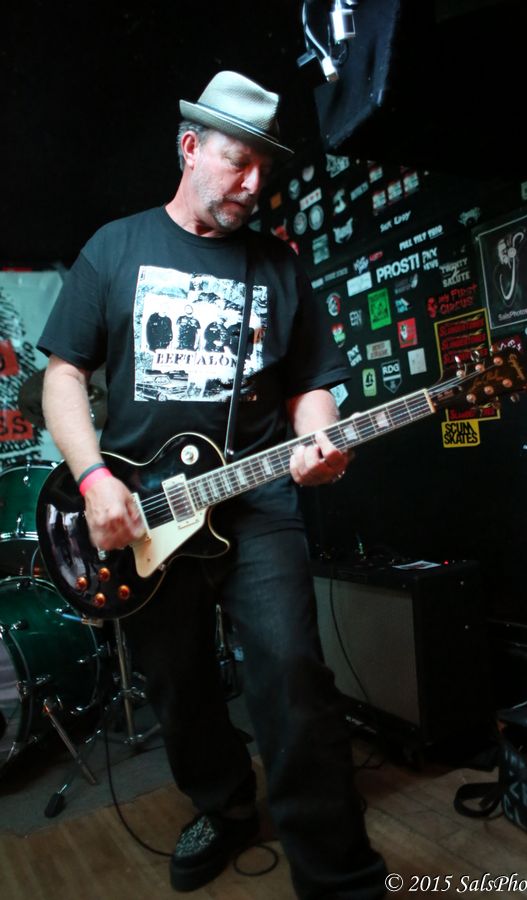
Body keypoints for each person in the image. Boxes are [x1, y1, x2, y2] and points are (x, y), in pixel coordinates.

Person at [38, 70, 387, 898]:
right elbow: (62, 376)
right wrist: (94, 478)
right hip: (141, 510)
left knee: (293, 674)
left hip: (256, 503)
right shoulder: (115, 248)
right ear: (191, 148)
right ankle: (226, 806)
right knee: (180, 688)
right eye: (238, 162)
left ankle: (341, 878)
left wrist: (319, 437)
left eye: (266, 168)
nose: (254, 184)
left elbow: (312, 383)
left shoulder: (278, 265)